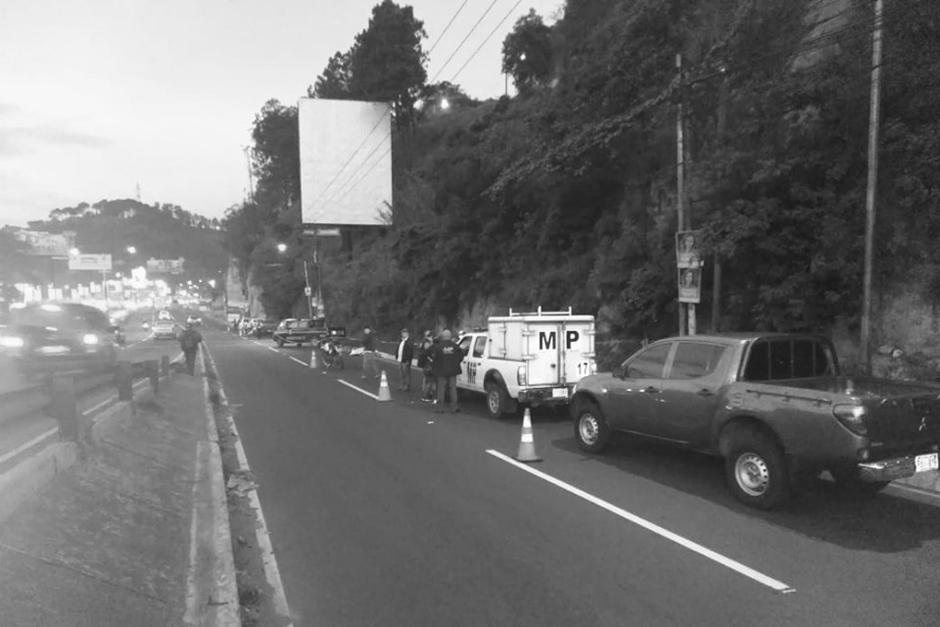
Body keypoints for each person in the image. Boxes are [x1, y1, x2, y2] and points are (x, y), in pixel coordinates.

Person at [430, 329, 464, 413]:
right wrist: (455, 363)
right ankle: (454, 407)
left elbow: (434, 358)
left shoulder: (438, 347)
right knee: (453, 389)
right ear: (450, 336)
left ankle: (440, 408)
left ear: (442, 336)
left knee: (441, 389)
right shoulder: (455, 346)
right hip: (453, 371)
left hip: (441, 371)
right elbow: (461, 357)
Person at [416, 330, 435, 402]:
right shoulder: (427, 343)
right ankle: (426, 395)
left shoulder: (424, 342)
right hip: (428, 365)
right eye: (430, 336)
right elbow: (427, 354)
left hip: (425, 364)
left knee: (427, 380)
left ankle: (426, 393)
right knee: (429, 381)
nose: (431, 338)